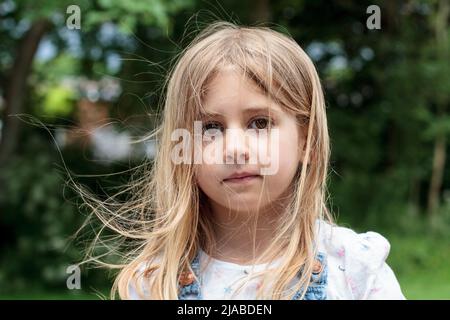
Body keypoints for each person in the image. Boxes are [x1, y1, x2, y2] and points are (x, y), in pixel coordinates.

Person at [97, 21, 405, 300]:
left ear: (307, 140)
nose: (234, 149)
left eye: (259, 123)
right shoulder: (154, 283)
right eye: (211, 128)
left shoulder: (354, 270)